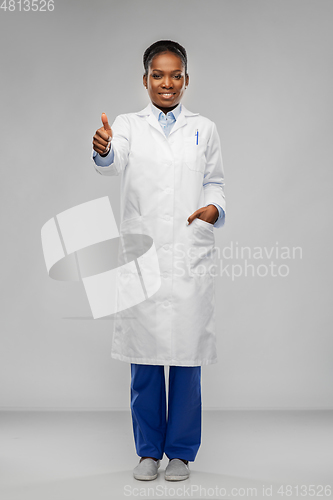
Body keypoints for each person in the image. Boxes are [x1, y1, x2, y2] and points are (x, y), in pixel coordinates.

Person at [91, 40, 226, 482]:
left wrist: (214, 210)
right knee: (145, 361)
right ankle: (148, 451)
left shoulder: (204, 128)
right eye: (158, 75)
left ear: (186, 79)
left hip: (189, 253)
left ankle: (182, 453)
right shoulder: (129, 126)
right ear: (145, 79)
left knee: (186, 361)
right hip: (144, 258)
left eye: (175, 75)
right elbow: (112, 163)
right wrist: (104, 149)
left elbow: (215, 183)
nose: (167, 83)